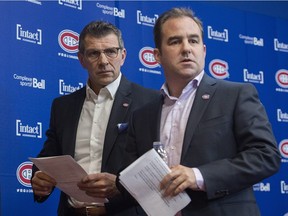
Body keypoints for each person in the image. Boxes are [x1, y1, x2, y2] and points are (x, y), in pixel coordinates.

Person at [119, 7, 281, 216]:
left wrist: (198, 175)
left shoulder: (235, 95)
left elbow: (266, 156)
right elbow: (133, 178)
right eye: (175, 41)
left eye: (193, 41)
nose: (186, 48)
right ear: (157, 55)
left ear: (203, 50)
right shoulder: (142, 116)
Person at [31, 20, 159, 216]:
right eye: (93, 53)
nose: (104, 61)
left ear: (122, 56)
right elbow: (49, 157)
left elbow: (158, 169)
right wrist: (39, 177)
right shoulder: (63, 106)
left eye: (111, 51)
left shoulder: (150, 101)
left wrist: (119, 185)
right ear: (81, 59)